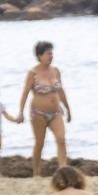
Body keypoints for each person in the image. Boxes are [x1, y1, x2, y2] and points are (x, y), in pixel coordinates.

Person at [17, 41, 71, 177]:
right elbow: (25, 93)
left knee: (61, 139)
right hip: (38, 114)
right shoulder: (33, 73)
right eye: (48, 53)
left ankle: (63, 171)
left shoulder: (56, 71)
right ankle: (36, 174)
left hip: (56, 113)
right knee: (40, 143)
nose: (51, 56)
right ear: (39, 55)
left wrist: (68, 109)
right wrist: (21, 112)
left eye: (52, 53)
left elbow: (61, 91)